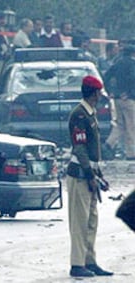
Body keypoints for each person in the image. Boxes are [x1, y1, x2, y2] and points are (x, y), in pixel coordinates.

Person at [66, 75, 113, 278]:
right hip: (80, 176)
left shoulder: (89, 113)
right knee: (80, 222)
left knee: (91, 221)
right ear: (93, 94)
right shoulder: (80, 115)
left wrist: (98, 175)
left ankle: (89, 261)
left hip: (89, 174)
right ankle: (77, 264)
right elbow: (80, 148)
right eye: (99, 94)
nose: (100, 98)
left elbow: (93, 153)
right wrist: (89, 174)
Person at [103, 44, 135, 160]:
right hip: (129, 99)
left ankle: (108, 144)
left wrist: (110, 91)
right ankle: (131, 153)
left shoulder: (117, 63)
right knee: (131, 125)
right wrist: (130, 93)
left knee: (120, 124)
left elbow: (106, 76)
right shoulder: (132, 64)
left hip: (117, 98)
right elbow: (133, 79)